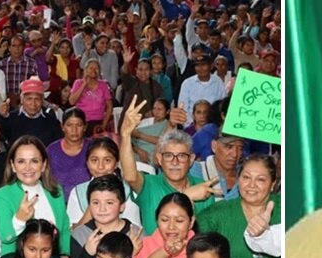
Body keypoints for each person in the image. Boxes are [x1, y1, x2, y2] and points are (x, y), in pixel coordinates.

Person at [120, 96, 219, 234]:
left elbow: (207, 234)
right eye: (168, 156)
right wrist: (125, 135)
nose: (175, 162)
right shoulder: (149, 185)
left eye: (181, 156)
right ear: (159, 159)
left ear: (191, 159)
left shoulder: (202, 187)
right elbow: (130, 176)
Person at [0, 136, 71, 258]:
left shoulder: (56, 191)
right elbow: (5, 236)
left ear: (43, 165)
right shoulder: (3, 195)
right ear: (13, 166)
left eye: (34, 161)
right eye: (21, 161)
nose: (28, 167)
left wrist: (65, 255)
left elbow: (64, 229)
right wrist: (19, 219)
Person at [69, 175, 143, 258]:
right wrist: (87, 254)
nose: (102, 209)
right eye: (96, 203)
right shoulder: (80, 235)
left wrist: (131, 255)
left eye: (109, 203)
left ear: (122, 206)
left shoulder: (136, 235)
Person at [66, 136, 141, 229]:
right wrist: (94, 203)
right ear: (87, 163)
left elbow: (134, 228)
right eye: (94, 160)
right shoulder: (78, 192)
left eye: (107, 160)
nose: (100, 166)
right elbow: (75, 231)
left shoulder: (129, 190)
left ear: (116, 163)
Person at [1, 76, 63, 147]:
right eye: (29, 99)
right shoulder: (10, 119)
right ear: (22, 100)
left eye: (37, 99)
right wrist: (3, 117)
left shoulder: (52, 122)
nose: (33, 103)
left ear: (42, 101)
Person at [47, 108, 92, 199]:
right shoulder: (52, 150)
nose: (74, 130)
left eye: (79, 125)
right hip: (58, 200)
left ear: (85, 127)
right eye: (69, 125)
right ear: (62, 126)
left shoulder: (93, 148)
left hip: (87, 201)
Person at [176, 53, 226, 128]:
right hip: (191, 127)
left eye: (203, 65)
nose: (200, 68)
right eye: (197, 65)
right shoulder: (187, 83)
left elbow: (222, 106)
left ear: (211, 66)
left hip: (213, 126)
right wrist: (192, 127)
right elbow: (182, 109)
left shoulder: (218, 82)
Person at [67, 58, 112, 134]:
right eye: (91, 68)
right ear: (86, 70)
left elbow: (110, 106)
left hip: (98, 121)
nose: (93, 70)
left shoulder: (103, 85)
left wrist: (103, 125)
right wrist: (84, 84)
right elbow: (72, 101)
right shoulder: (78, 83)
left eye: (96, 68)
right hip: (81, 120)